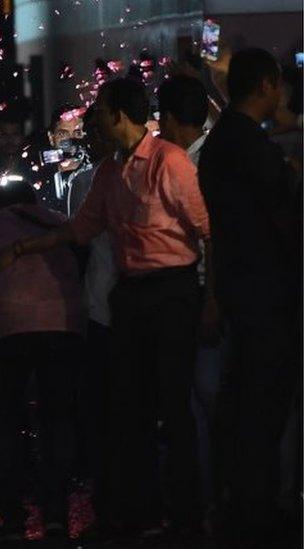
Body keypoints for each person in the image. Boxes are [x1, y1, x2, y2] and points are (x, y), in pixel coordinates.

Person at [0, 78, 211, 537]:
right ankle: (137, 514)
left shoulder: (169, 160)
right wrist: (25, 247)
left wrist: (214, 300)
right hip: (130, 295)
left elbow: (209, 229)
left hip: (173, 292)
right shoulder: (112, 170)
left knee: (173, 403)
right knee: (129, 409)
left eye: (100, 113)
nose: (92, 124)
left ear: (120, 116)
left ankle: (186, 517)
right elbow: (80, 230)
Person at [199, 48, 301, 544]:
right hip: (266, 286)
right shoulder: (248, 144)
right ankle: (255, 505)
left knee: (244, 395)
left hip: (241, 282)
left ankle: (239, 500)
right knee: (263, 398)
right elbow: (279, 210)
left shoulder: (223, 141)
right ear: (265, 84)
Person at [0, 181, 85, 540]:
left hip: (6, 332)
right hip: (61, 329)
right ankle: (56, 516)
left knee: (8, 420)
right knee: (56, 418)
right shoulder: (60, 222)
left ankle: (13, 517)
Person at [156, 74, 223, 515]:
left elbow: (209, 237)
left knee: (201, 400)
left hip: (198, 291)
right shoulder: (211, 153)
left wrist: (211, 299)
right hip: (201, 291)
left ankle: (206, 499)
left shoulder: (190, 165)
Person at [65, 105, 118, 512]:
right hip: (100, 302)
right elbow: (77, 243)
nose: (92, 139)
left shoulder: (143, 169)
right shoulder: (83, 181)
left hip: (128, 300)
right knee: (103, 406)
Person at [37, 104, 89, 213]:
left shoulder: (94, 175)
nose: (70, 141)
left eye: (77, 133)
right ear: (51, 137)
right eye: (63, 134)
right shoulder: (39, 178)